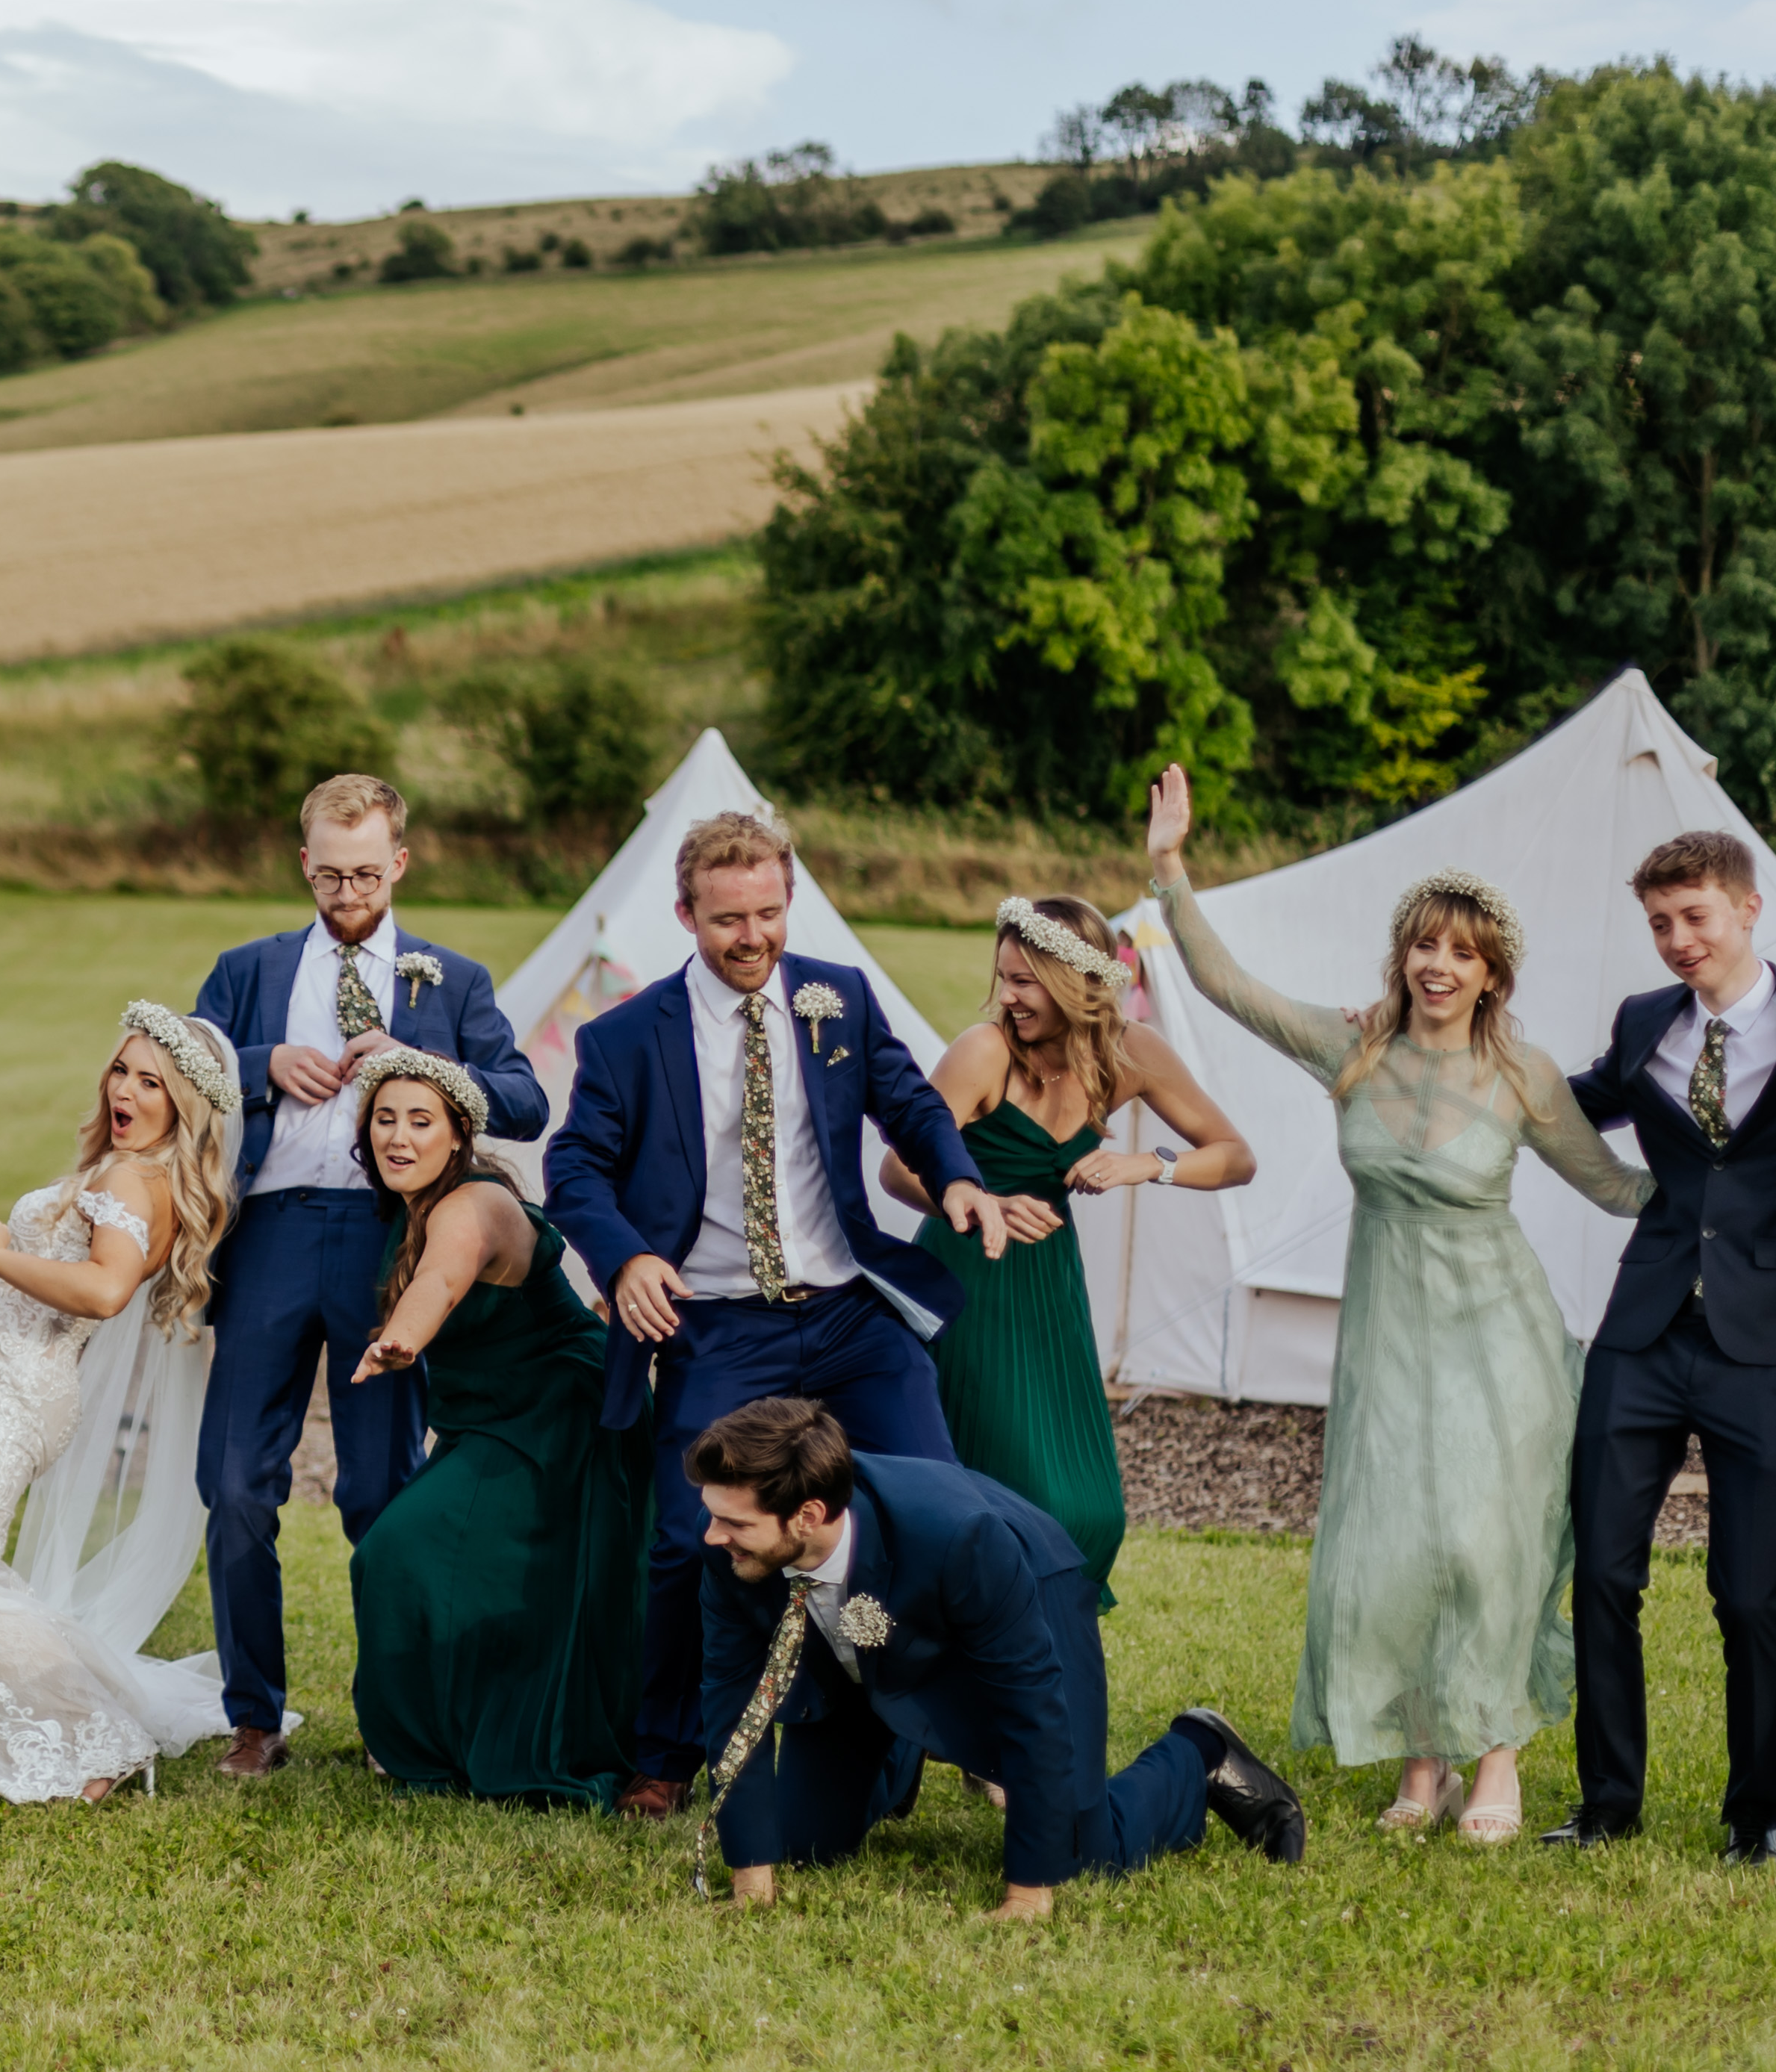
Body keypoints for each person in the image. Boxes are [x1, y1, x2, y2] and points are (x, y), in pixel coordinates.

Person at [1148, 768, 1651, 1841]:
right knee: (1401, 1546)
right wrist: (1169, 867)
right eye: (1424, 945)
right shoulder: (1352, 1048)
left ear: (1492, 974)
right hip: (1389, 1341)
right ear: (1402, 955)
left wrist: (1749, 1195)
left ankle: (1496, 1753)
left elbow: (1614, 1186)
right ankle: (1425, 1763)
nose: (1439, 965)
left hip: (1500, 1336)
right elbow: (1227, 986)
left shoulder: (1522, 1074)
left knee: (1485, 1543)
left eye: (1462, 952)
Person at [542, 807, 1000, 1817]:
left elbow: (910, 1104)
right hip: (716, 1328)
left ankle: (967, 1723)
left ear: (788, 899)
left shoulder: (838, 999)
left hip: (846, 1315)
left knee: (940, 1508)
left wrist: (957, 1178)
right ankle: (665, 1753)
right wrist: (626, 1258)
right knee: (684, 1538)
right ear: (685, 915)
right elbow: (573, 1167)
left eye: (767, 913)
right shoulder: (625, 1038)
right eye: (726, 920)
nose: (751, 937)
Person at [186, 774, 544, 1779]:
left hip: (392, 1249)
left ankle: (399, 1718)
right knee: (234, 1485)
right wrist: (260, 1064)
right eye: (329, 874)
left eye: (366, 874)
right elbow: (171, 1070)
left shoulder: (453, 982)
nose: (347, 893)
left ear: (400, 863)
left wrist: (423, 1066)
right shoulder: (248, 970)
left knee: (382, 1491)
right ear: (304, 863)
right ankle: (253, 1718)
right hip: (266, 1238)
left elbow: (524, 1101)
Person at [685, 1400, 1306, 1916]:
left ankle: (1198, 1752)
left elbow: (1031, 1705)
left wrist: (1028, 1893)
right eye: (713, 1515)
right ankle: (899, 1741)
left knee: (1087, 1857)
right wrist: (752, 1878)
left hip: (1027, 1596)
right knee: (801, 1846)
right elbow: (733, 1699)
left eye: (734, 1523)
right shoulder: (727, 1541)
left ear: (808, 1516)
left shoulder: (964, 1538)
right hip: (856, 1660)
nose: (712, 1535)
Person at [1543, 833, 1776, 1867]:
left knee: (1752, 1594)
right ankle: (1607, 1804)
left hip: (1765, 1343)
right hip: (1640, 1331)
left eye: (1694, 917)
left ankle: (1756, 1818)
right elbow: (1567, 1102)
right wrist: (1449, 1061)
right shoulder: (1642, 1021)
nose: (1677, 939)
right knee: (1601, 1575)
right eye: (1659, 923)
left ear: (1748, 908)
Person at [0, 1004, 241, 1804]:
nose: (125, 1091)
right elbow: (55, 1270)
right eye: (121, 1070)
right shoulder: (125, 1169)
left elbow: (104, 1290)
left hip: (14, 1388)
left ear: (185, 1104)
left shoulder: (133, 1180)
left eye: (151, 1083)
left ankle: (96, 1737)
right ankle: (56, 1723)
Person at [879, 895, 1254, 1611]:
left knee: (1092, 1509)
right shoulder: (984, 1051)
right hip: (967, 1279)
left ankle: (1049, 1643)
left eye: (1025, 982)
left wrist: (1145, 1165)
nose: (1007, 997)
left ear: (1076, 982)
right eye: (1004, 977)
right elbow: (898, 1168)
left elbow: (1235, 1157)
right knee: (1000, 1490)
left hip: (1050, 1287)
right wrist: (979, 1201)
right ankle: (987, 1641)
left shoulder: (1131, 1052)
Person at [342, 1052, 645, 1806]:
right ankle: (446, 1728)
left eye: (420, 1122)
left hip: (558, 1410)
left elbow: (445, 1277)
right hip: (490, 1417)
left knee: (397, 1549)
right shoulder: (413, 1204)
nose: (398, 1137)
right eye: (385, 1119)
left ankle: (422, 1741)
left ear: (459, 1134)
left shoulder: (471, 1206)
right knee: (469, 1566)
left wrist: (402, 1337)